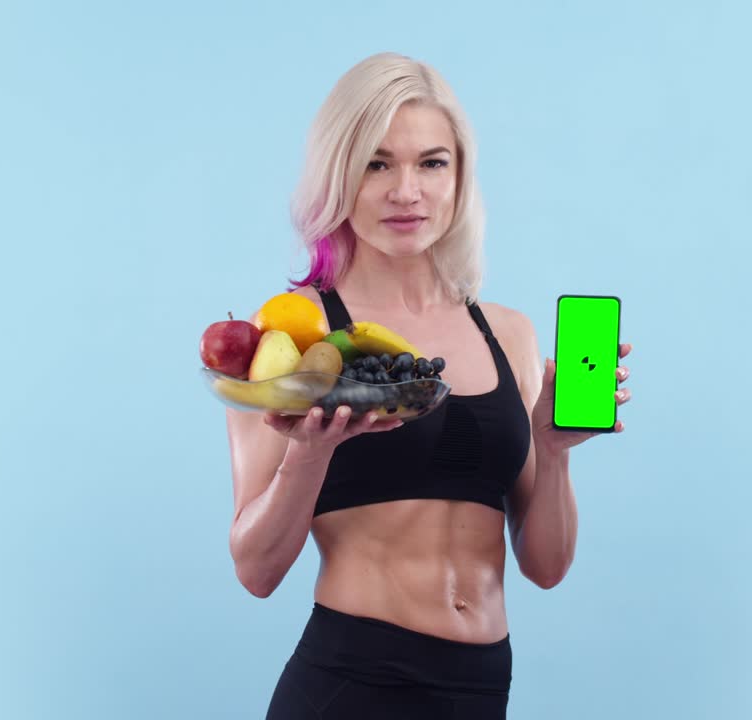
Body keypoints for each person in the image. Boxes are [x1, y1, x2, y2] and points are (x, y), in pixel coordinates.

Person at [225, 52, 633, 719]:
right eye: (377, 164)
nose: (406, 191)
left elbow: (547, 567)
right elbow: (256, 571)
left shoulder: (510, 334)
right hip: (350, 686)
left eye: (431, 163)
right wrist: (309, 452)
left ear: (460, 176)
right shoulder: (296, 338)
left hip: (478, 690)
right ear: (339, 176)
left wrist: (554, 453)